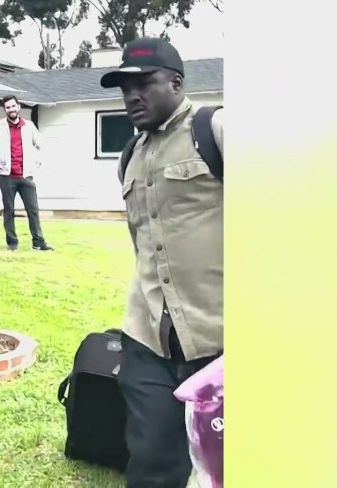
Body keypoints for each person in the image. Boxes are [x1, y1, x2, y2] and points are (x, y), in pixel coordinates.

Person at [99, 37, 224, 488]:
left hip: (220, 338)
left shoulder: (214, 130)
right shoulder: (130, 156)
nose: (132, 95)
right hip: (148, 338)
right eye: (123, 88)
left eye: (144, 84)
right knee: (152, 461)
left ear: (175, 82)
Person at [0, 95, 53, 251]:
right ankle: (12, 243)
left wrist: (36, 163)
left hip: (26, 176)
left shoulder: (29, 126)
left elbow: (42, 145)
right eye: (7, 107)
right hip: (7, 177)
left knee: (32, 209)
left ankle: (38, 242)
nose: (11, 109)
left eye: (13, 106)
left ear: (18, 107)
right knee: (9, 210)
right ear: (5, 110)